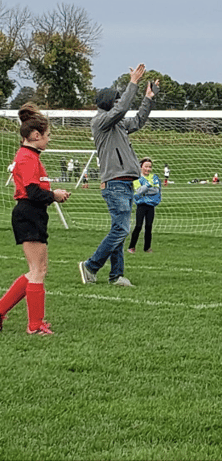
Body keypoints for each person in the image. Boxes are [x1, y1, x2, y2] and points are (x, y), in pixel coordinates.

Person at [79, 64, 159, 287]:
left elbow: (139, 121)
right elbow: (122, 108)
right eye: (114, 100)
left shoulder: (119, 124)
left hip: (124, 184)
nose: (117, 103)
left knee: (119, 230)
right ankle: (91, 266)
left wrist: (148, 99)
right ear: (108, 103)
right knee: (122, 229)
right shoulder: (101, 122)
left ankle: (116, 275)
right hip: (114, 184)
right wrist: (133, 82)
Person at [0, 103, 70, 335]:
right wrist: (54, 195)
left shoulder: (29, 155)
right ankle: (35, 325)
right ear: (36, 135)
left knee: (38, 269)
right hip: (28, 212)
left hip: (33, 213)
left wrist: (51, 194)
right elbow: (32, 192)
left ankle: (5, 312)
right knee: (37, 270)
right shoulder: (27, 157)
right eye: (47, 135)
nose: (48, 140)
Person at [127, 157, 161, 254]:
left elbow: (156, 190)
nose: (148, 169)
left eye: (150, 167)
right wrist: (149, 185)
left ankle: (147, 248)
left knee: (149, 226)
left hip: (151, 205)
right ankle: (131, 247)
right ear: (141, 167)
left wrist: (145, 188)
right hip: (141, 205)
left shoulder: (154, 177)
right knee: (138, 226)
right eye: (146, 166)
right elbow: (138, 191)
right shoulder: (137, 178)